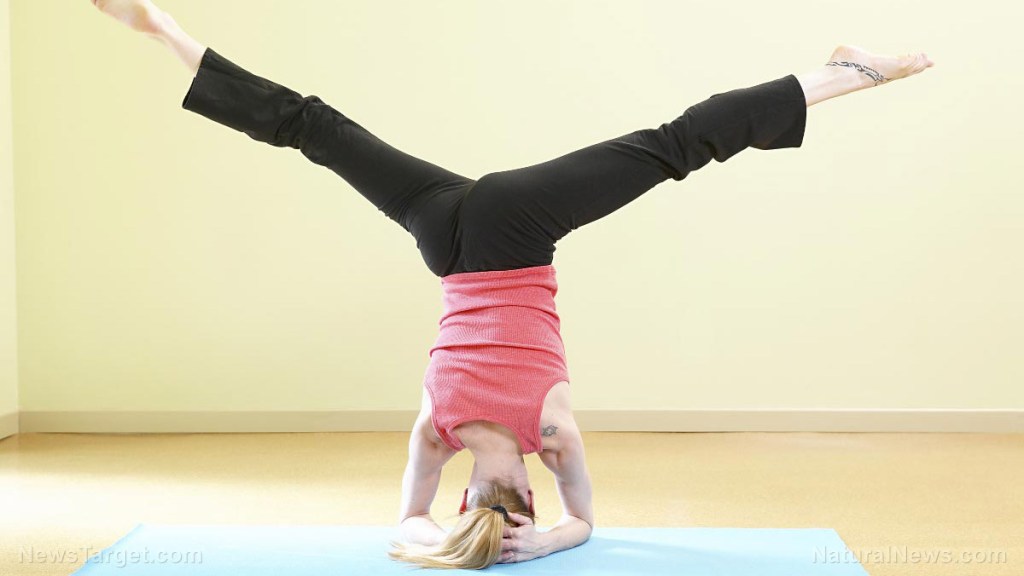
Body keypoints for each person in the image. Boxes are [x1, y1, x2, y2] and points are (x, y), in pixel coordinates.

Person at [90, 0, 935, 569]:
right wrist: (456, 541)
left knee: (676, 145)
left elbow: (584, 524)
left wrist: (544, 544)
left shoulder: (554, 434)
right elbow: (407, 525)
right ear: (469, 494)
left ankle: (852, 75)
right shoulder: (438, 433)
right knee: (316, 128)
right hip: (446, 241)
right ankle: (165, 28)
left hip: (513, 230)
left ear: (524, 489)